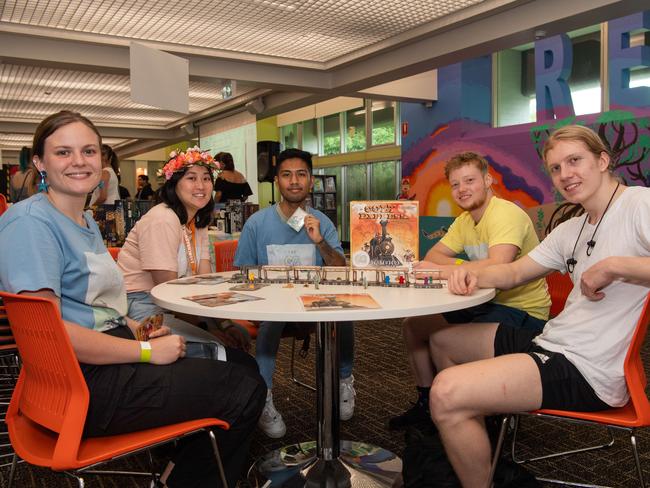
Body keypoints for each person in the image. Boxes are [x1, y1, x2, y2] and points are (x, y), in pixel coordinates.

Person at [0, 111, 265, 488]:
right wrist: (144, 352)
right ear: (40, 162)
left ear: (102, 161)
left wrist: (135, 327)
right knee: (245, 388)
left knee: (242, 367)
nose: (79, 161)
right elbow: (50, 334)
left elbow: (96, 306)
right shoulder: (30, 224)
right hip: (82, 385)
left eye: (89, 151)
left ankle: (180, 469)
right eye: (63, 152)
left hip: (108, 356)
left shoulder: (84, 221)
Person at [429, 125, 650, 487]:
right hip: (554, 342)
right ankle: (473, 440)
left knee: (446, 392)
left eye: (574, 160)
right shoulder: (573, 227)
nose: (565, 174)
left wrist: (614, 266)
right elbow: (514, 272)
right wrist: (468, 274)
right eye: (556, 168)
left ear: (603, 160)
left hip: (588, 368)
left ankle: (472, 459)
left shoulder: (638, 204)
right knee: (442, 341)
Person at [389, 151, 550, 430]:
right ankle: (428, 405)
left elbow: (499, 267)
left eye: (470, 180)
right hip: (486, 303)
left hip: (523, 313)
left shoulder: (505, 213)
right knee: (414, 326)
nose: (462, 189)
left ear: (487, 180)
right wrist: (464, 265)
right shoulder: (465, 220)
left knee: (444, 340)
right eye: (455, 184)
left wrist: (448, 270)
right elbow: (435, 254)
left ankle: (467, 415)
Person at [234, 148, 355, 438]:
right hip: (273, 305)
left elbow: (340, 269)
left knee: (346, 313)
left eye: (301, 174)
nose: (294, 181)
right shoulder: (258, 223)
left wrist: (320, 242)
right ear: (278, 181)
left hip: (314, 305)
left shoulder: (321, 222)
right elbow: (241, 272)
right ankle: (264, 397)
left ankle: (344, 380)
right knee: (270, 324)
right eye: (287, 175)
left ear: (311, 181)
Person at [117, 146, 249, 353]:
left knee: (238, 335)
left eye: (206, 178)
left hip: (180, 299)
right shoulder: (162, 219)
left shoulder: (198, 219)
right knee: (216, 349)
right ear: (174, 184)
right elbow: (167, 291)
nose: (201, 186)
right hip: (143, 304)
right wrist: (205, 328)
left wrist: (224, 324)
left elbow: (204, 281)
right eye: (191, 178)